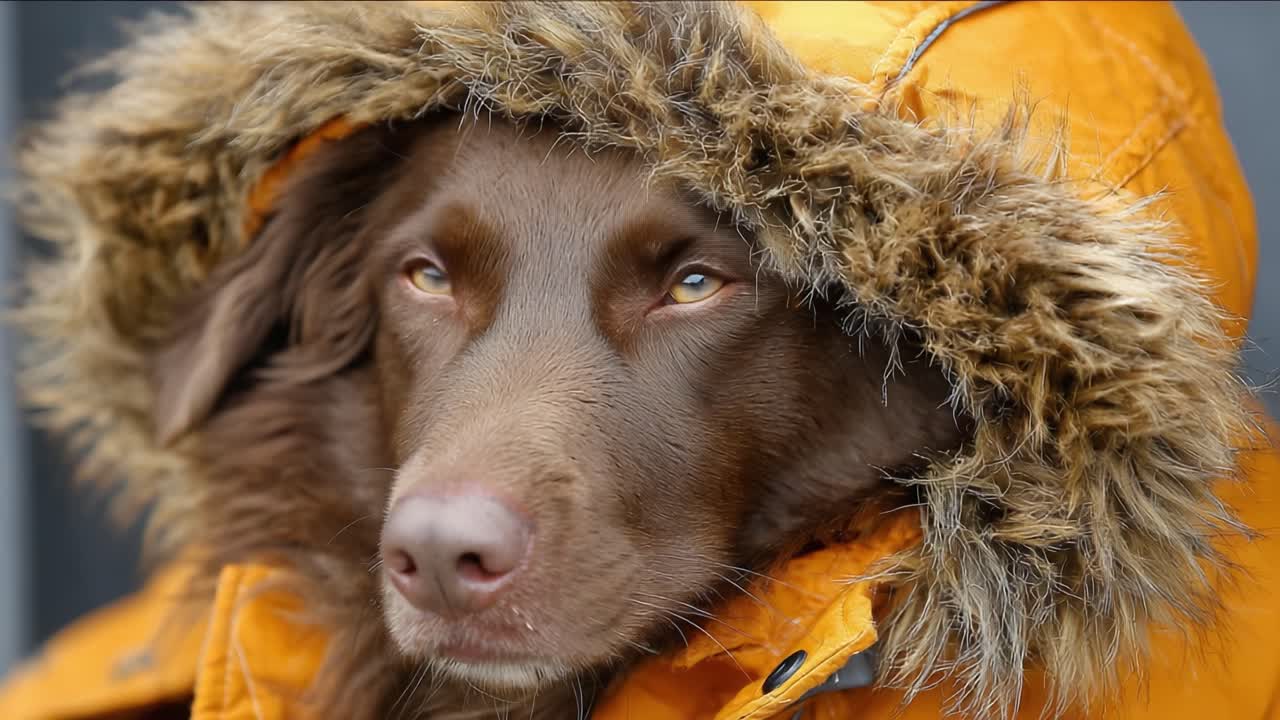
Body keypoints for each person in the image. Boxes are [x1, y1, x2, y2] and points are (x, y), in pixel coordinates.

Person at [2, 2, 1276, 719]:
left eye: (695, 279)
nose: (448, 521)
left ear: (957, 350)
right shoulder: (203, 677)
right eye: (431, 275)